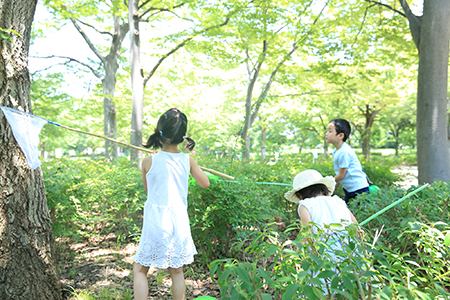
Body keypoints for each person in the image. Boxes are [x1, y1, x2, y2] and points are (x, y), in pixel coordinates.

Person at [133, 108, 210, 300]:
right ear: (183, 136)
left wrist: (157, 157)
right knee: (177, 273)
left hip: (155, 222)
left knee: (140, 270)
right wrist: (192, 162)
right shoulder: (187, 160)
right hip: (178, 222)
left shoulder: (148, 161)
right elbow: (205, 183)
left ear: (160, 132)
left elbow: (149, 192)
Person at [325, 118, 369, 203]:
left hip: (358, 189)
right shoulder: (337, 151)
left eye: (330, 131)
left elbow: (341, 175)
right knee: (350, 212)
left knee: (360, 213)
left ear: (340, 135)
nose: (326, 134)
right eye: (327, 131)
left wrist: (327, 183)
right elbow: (340, 173)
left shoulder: (344, 152)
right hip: (350, 189)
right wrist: (335, 185)